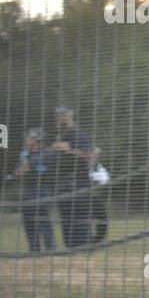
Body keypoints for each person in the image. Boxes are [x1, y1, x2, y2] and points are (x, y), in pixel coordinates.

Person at [49, 106, 94, 247]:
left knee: (80, 218)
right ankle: (70, 250)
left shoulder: (78, 134)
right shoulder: (60, 136)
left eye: (60, 116)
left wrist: (69, 150)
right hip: (63, 183)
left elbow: (90, 155)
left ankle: (84, 248)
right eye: (57, 116)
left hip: (78, 182)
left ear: (68, 117)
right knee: (66, 219)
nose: (57, 119)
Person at [13, 127, 55, 253]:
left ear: (36, 139)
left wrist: (25, 161)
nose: (27, 139)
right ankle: (34, 248)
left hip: (40, 190)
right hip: (28, 189)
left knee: (43, 220)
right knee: (29, 221)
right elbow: (17, 172)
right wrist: (25, 163)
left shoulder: (45, 153)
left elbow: (26, 168)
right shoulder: (28, 154)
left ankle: (50, 249)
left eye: (30, 137)